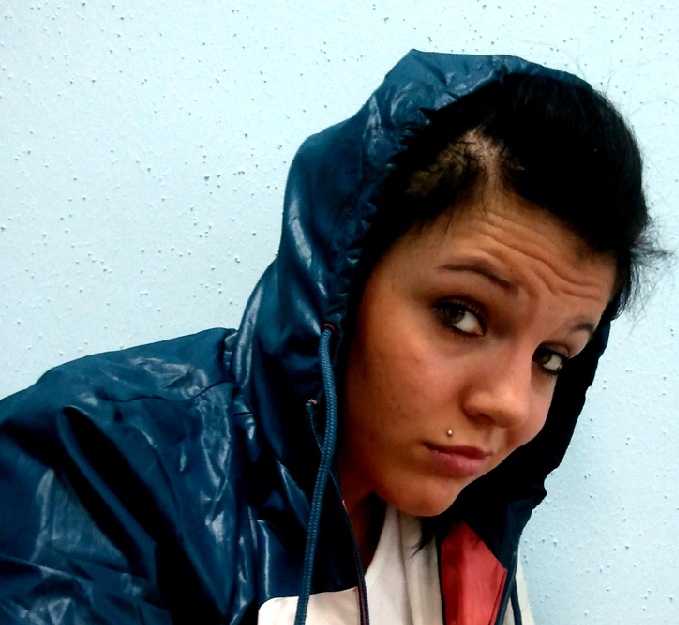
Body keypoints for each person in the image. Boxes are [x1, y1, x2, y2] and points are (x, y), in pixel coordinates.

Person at [0, 50, 657, 625]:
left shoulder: (469, 525)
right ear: (337, 284)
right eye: (460, 315)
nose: (510, 405)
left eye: (551, 357)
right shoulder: (93, 464)